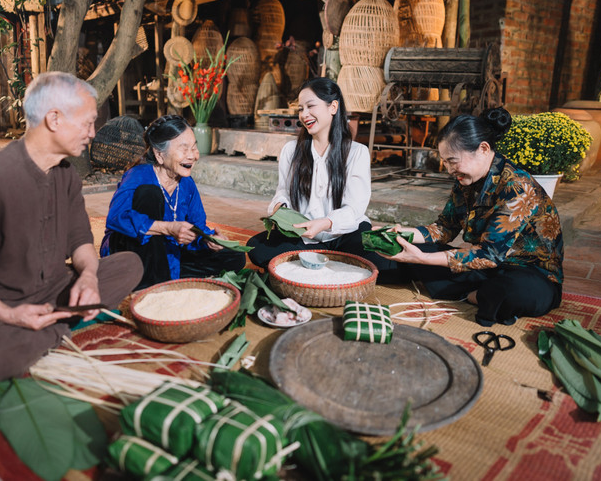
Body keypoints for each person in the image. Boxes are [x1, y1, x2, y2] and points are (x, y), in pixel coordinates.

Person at [0, 72, 143, 386]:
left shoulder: (66, 174)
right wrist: (9, 315)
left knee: (130, 264)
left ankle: (46, 324)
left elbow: (80, 239)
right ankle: (55, 326)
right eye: (87, 123)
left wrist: (89, 278)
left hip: (47, 289)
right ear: (54, 119)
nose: (92, 133)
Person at [381, 108, 564, 326]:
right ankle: (477, 294)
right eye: (445, 162)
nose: (448, 169)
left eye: (452, 161)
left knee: (512, 292)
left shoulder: (517, 186)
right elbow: (444, 228)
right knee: (404, 253)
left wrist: (422, 258)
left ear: (483, 149)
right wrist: (404, 235)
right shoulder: (465, 181)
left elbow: (489, 254)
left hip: (529, 273)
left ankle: (474, 295)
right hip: (487, 267)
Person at [246, 77, 390, 270]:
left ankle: (312, 261)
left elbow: (355, 209)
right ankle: (331, 261)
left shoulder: (356, 152)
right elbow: (283, 192)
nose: (304, 114)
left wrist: (326, 223)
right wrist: (279, 208)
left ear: (333, 107)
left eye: (310, 106)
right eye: (300, 109)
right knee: (257, 249)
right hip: (303, 236)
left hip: (344, 236)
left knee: (383, 263)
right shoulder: (291, 150)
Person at [101, 114, 245, 288]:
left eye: (194, 147)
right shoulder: (139, 175)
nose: (193, 156)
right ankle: (149, 281)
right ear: (159, 154)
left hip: (167, 252)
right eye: (184, 149)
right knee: (150, 194)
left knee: (234, 256)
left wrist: (207, 240)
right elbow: (116, 218)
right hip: (133, 251)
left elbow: (197, 225)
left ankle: (164, 274)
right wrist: (167, 228)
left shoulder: (187, 184)